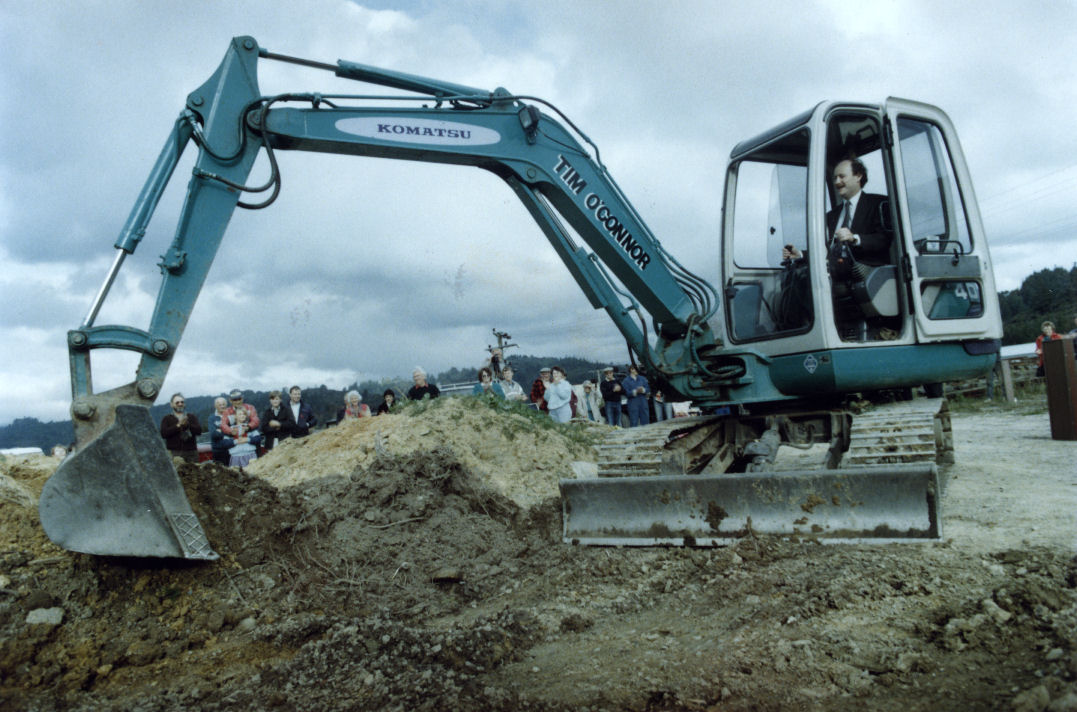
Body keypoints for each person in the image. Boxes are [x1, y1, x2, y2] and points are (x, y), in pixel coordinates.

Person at [159, 392, 203, 463]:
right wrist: (178, 425)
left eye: (182, 402)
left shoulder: (191, 417)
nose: (180, 404)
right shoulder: (166, 418)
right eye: (177, 402)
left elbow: (199, 431)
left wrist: (188, 425)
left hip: (191, 453)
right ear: (171, 404)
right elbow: (163, 434)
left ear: (184, 404)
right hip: (175, 453)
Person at [207, 396, 234, 464]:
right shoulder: (212, 418)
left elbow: (236, 431)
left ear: (226, 405)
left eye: (223, 404)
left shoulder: (232, 416)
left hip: (232, 449)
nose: (222, 406)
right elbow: (214, 435)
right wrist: (229, 430)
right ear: (215, 406)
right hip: (218, 451)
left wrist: (220, 430)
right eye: (219, 405)